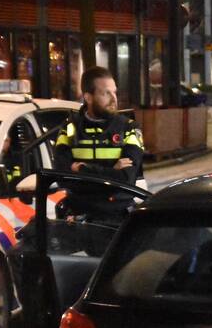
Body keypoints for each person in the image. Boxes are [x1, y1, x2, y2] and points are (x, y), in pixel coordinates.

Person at [54, 65, 144, 252]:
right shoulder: (70, 128)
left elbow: (126, 179)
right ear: (88, 97)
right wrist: (111, 172)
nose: (114, 99)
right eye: (106, 93)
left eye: (114, 92)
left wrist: (81, 169)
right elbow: (62, 176)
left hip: (116, 220)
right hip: (77, 220)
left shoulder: (128, 128)